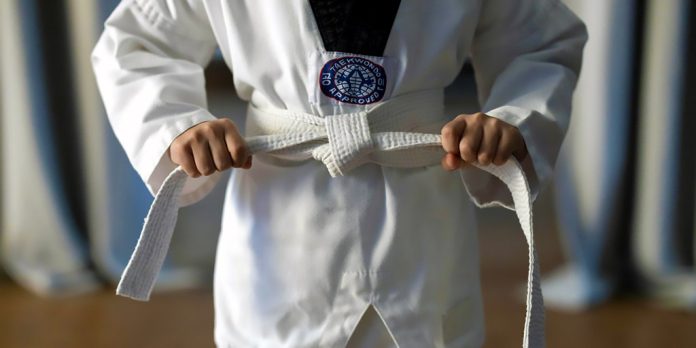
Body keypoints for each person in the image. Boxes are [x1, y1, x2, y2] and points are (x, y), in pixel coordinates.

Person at [92, 0, 587, 347]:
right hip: (282, 222)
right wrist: (179, 127)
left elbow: (539, 40)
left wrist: (511, 122)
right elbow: (137, 42)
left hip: (418, 217)